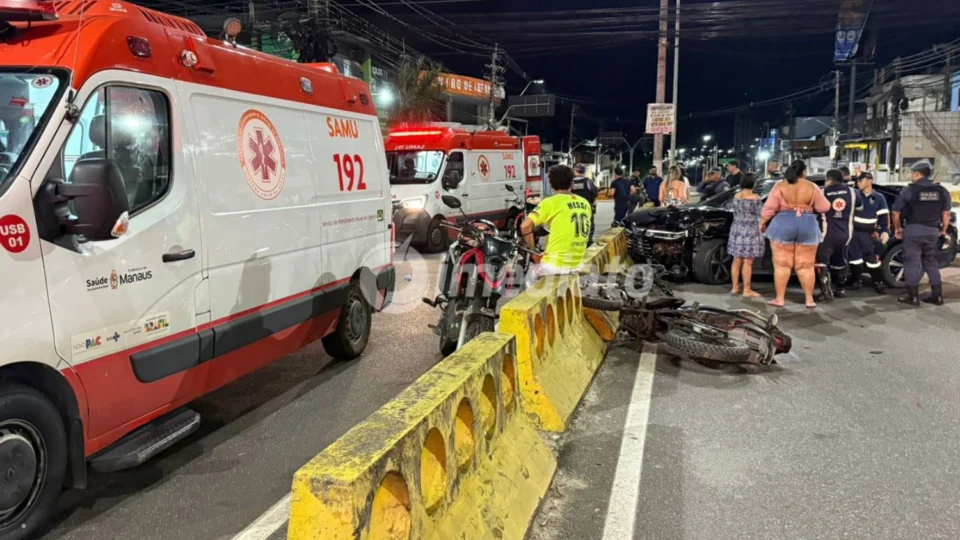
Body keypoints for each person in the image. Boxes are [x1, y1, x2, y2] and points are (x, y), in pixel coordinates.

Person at [760, 160, 832, 308]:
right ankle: (809, 300)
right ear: (804, 172)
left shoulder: (780, 186)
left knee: (782, 265)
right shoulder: (812, 186)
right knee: (806, 265)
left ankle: (780, 299)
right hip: (807, 224)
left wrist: (762, 222)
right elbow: (824, 207)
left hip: (783, 224)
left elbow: (769, 208)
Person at [891, 160, 952, 306]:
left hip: (913, 230)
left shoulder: (909, 190)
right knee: (931, 262)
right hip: (932, 231)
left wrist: (898, 228)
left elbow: (895, 212)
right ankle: (937, 296)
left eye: (912, 173)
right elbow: (946, 214)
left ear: (917, 174)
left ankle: (912, 297)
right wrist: (943, 230)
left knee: (912, 263)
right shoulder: (942, 190)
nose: (911, 176)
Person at [521, 165, 593, 284]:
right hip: (577, 264)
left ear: (550, 183)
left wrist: (533, 252)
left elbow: (525, 226)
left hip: (554, 266)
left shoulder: (550, 203)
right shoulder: (585, 203)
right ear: (571, 183)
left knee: (528, 280)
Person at [815, 169, 857, 300]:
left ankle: (826, 292)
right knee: (840, 262)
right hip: (845, 234)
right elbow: (860, 207)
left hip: (826, 234)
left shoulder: (822, 192)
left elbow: (815, 209)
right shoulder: (852, 192)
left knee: (822, 262)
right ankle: (840, 289)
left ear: (828, 179)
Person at [848, 172, 889, 294]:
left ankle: (877, 282)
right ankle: (856, 280)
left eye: (861, 180)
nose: (858, 183)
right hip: (854, 232)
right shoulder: (854, 195)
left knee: (872, 259)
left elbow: (884, 217)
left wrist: (884, 231)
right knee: (854, 258)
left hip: (868, 234)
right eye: (857, 181)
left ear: (870, 180)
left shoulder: (879, 198)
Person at [727, 172, 764, 298]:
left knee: (736, 260)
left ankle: (734, 287)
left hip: (737, 228)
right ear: (753, 183)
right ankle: (747, 290)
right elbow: (761, 215)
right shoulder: (755, 198)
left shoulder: (736, 196)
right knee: (748, 261)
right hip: (750, 230)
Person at [570, 163, 599, 244]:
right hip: (587, 207)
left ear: (575, 170)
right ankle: (588, 241)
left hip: (572, 207)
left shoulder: (570, 182)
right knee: (589, 224)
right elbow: (595, 193)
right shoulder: (588, 181)